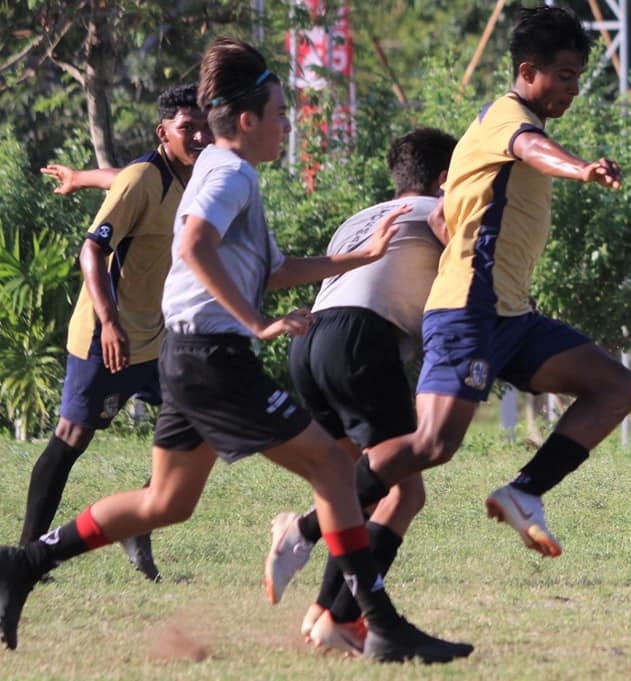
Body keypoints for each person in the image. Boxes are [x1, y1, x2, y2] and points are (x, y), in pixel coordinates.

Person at [0, 36, 472, 664]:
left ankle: (22, 561)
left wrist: (357, 257)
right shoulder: (228, 172)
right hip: (213, 357)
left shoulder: (226, 173)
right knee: (335, 470)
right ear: (246, 121)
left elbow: (269, 269)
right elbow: (193, 245)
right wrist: (255, 324)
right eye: (280, 114)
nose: (286, 125)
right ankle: (377, 622)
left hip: (189, 357)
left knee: (165, 503)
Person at [348, 5, 631, 559]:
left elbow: (442, 218)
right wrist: (581, 168)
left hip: (510, 315)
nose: (572, 89)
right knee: (433, 444)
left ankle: (523, 492)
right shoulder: (510, 121)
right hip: (469, 311)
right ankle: (308, 525)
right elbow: (531, 148)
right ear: (527, 72)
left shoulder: (484, 134)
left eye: (578, 77)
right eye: (564, 76)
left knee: (616, 387)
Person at [262, 127, 458, 656]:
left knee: (348, 478)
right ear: (446, 178)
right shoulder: (439, 212)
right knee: (403, 491)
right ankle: (303, 538)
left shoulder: (359, 219)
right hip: (359, 341)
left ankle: (331, 615)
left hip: (310, 343)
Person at [19, 85, 211, 582]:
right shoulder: (144, 177)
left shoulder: (195, 176)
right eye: (187, 127)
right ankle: (26, 556)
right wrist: (109, 322)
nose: (198, 135)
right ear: (162, 132)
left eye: (203, 126)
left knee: (194, 418)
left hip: (156, 337)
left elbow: (118, 180)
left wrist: (82, 177)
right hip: (106, 334)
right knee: (72, 437)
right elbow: (91, 250)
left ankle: (139, 520)